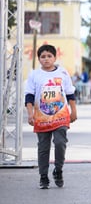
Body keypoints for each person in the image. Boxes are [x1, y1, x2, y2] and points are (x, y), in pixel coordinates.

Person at [24, 44, 77, 189]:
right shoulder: (34, 75)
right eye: (43, 56)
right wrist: (30, 114)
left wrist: (74, 110)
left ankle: (58, 170)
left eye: (49, 56)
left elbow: (70, 93)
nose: (46, 59)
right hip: (41, 117)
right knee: (43, 147)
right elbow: (29, 96)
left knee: (60, 143)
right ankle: (43, 177)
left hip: (60, 115)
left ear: (55, 57)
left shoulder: (62, 73)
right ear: (39, 59)